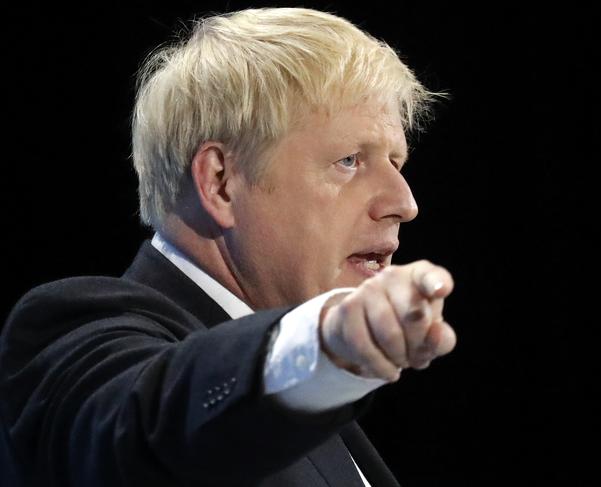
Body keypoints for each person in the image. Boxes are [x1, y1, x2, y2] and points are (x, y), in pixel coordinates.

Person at [0, 7, 456, 486]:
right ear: (221, 182)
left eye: (396, 163)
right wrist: (322, 344)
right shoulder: (75, 334)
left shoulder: (309, 402)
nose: (404, 203)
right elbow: (142, 427)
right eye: (348, 160)